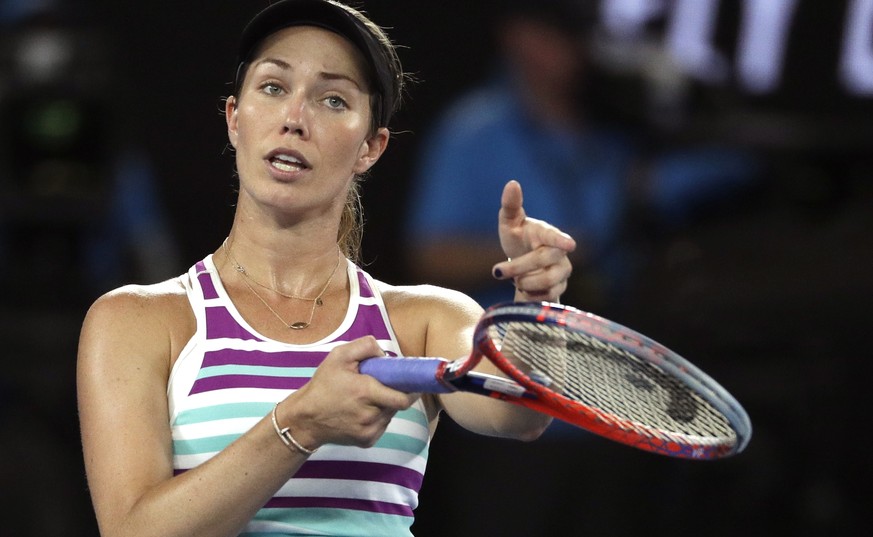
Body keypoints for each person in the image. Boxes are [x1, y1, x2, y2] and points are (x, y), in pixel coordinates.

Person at [76, 1, 576, 536]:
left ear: (370, 148)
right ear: (234, 119)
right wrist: (300, 424)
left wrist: (534, 302)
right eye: (272, 87)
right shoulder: (135, 321)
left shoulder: (426, 319)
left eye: (333, 99)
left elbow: (520, 416)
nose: (295, 118)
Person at [405, 0, 761, 315]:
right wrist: (534, 256)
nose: (568, 48)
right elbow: (432, 255)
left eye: (574, 33)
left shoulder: (608, 126)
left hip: (606, 336)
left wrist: (750, 151)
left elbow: (659, 186)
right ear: (515, 35)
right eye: (550, 32)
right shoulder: (472, 131)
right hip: (503, 340)